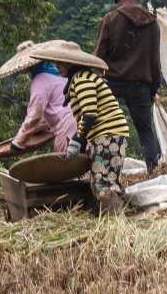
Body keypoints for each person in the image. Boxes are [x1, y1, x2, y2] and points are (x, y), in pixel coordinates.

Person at [27, 40, 129, 214]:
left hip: (108, 135)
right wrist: (81, 145)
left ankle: (115, 226)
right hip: (107, 134)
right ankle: (109, 220)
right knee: (101, 179)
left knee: (104, 182)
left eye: (59, 64)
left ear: (69, 63)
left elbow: (89, 113)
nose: (57, 67)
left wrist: (77, 139)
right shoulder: (80, 78)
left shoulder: (82, 79)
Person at [93, 0, 162, 171]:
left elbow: (97, 57)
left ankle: (101, 169)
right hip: (140, 85)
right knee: (146, 133)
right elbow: (155, 61)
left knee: (101, 127)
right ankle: (154, 171)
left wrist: (94, 82)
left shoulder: (110, 19)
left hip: (110, 83)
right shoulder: (152, 23)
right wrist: (153, 89)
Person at [7, 41, 77, 153]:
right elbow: (47, 117)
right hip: (81, 124)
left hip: (66, 127)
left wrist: (18, 142)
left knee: (65, 167)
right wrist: (34, 130)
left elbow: (35, 114)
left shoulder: (40, 80)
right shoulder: (58, 74)